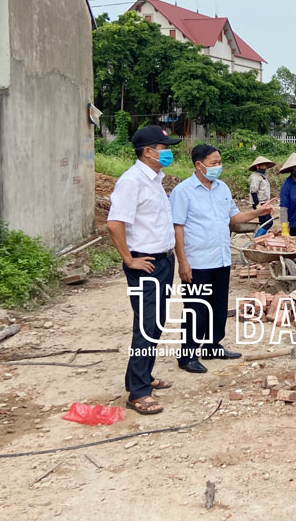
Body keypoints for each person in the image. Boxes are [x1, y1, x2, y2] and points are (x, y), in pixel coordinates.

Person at [170, 144, 274, 373]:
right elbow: (177, 228)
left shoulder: (222, 188)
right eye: (214, 163)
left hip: (221, 258)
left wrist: (258, 212)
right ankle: (187, 355)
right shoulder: (183, 192)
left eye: (219, 162)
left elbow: (234, 217)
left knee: (217, 306)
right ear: (199, 165)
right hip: (197, 261)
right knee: (196, 308)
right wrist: (183, 262)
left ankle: (212, 345)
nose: (219, 167)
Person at [106, 125, 182, 415]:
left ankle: (141, 376)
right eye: (164, 149)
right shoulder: (132, 181)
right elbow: (114, 223)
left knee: (157, 322)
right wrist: (129, 259)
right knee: (146, 325)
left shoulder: (155, 180)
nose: (168, 153)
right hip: (145, 262)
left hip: (163, 261)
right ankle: (138, 392)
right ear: (148, 152)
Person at [248, 156, 275, 227]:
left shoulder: (262, 176)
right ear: (257, 166)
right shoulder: (256, 177)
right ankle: (258, 237)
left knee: (263, 222)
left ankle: (262, 236)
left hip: (264, 202)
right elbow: (253, 192)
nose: (265, 167)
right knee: (268, 223)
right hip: (259, 202)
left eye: (266, 165)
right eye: (263, 165)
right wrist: (257, 205)